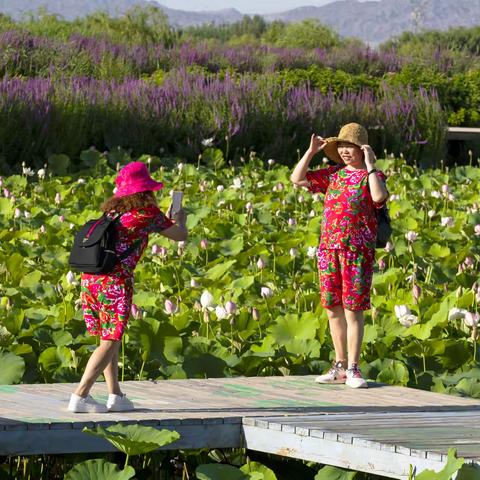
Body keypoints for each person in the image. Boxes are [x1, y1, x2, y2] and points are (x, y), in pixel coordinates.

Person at [68, 162, 188, 413]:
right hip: (115, 282)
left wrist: (164, 218)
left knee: (109, 337)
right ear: (146, 190)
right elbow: (179, 236)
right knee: (111, 340)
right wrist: (180, 219)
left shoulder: (113, 213)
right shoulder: (147, 213)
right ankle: (80, 395)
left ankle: (115, 396)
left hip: (91, 279)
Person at [290, 123, 389, 388]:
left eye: (351, 147)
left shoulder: (373, 175)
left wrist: (369, 166)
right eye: (342, 146)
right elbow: (297, 179)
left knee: (353, 311)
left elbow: (379, 198)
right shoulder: (333, 174)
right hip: (328, 250)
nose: (346, 151)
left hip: (356, 252)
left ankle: (355, 368)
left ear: (362, 149)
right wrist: (310, 153)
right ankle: (340, 365)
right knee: (333, 310)